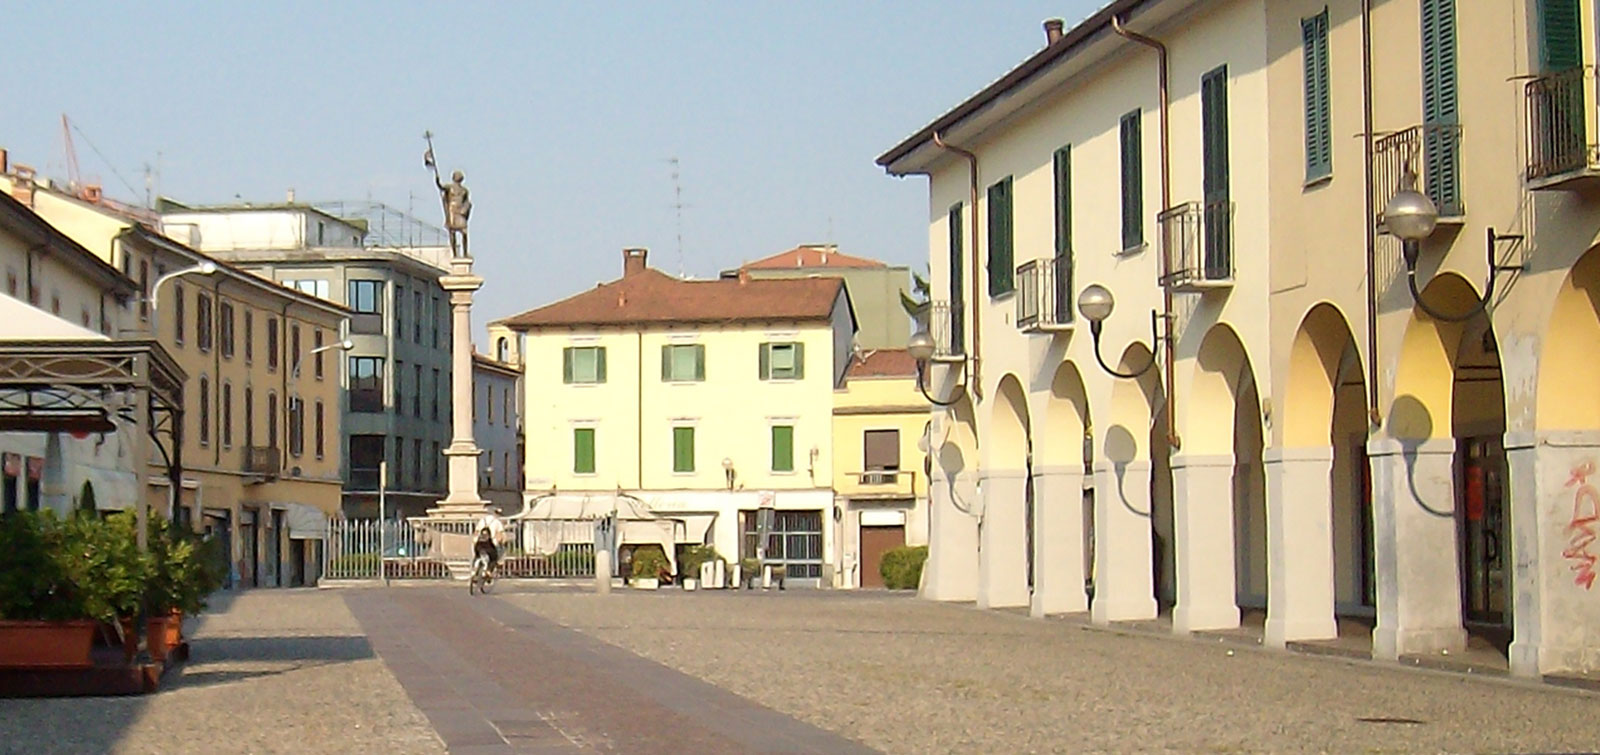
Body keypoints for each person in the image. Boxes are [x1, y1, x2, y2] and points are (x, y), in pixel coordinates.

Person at [473, 511, 506, 578]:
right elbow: (500, 536)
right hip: (490, 544)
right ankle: (489, 570)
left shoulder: (482, 520)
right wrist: (501, 542)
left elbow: (476, 533)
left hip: (479, 543)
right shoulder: (497, 522)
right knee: (494, 558)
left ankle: (474, 569)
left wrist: (474, 542)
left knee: (477, 555)